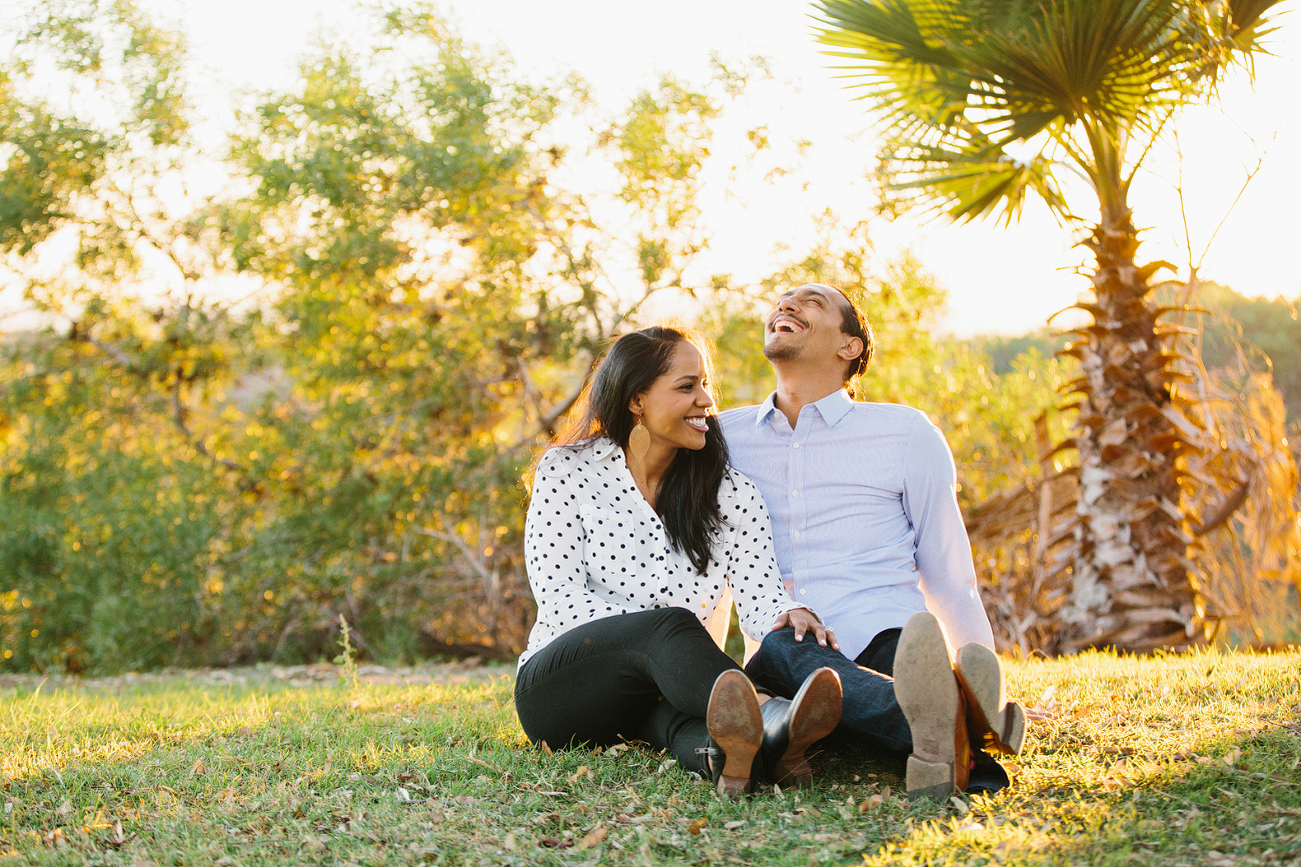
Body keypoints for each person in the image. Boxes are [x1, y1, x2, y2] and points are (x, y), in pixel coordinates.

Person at [718, 283, 1026, 801]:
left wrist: (984, 666)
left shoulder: (905, 433)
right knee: (783, 650)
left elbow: (950, 575)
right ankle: (963, 730)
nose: (786, 306)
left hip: (888, 633)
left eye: (812, 303)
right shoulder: (723, 439)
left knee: (907, 664)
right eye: (782, 301)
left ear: (850, 347)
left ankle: (954, 715)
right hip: (788, 646)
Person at [514, 325, 844, 797]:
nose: (707, 400)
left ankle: (743, 759)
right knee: (667, 627)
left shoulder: (731, 493)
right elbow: (560, 598)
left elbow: (758, 593)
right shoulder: (567, 471)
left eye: (706, 384)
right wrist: (662, 646)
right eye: (687, 386)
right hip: (563, 690)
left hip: (669, 694)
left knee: (681, 728)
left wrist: (785, 612)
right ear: (636, 400)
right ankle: (771, 713)